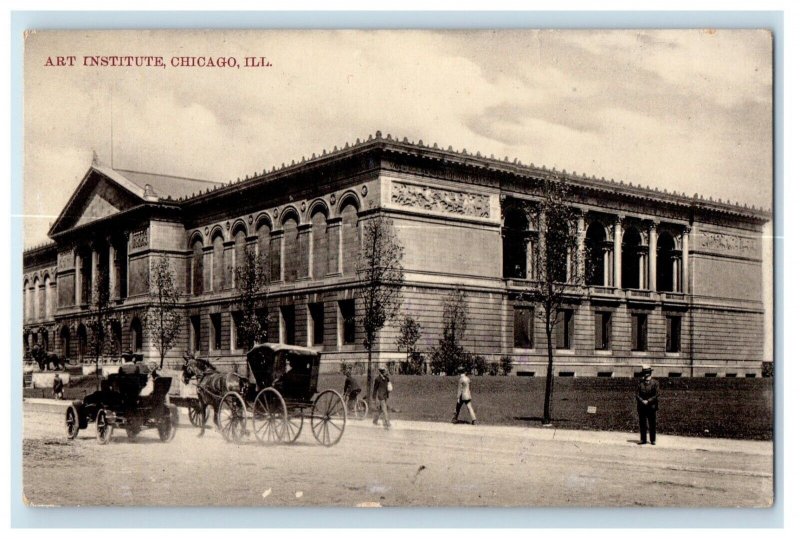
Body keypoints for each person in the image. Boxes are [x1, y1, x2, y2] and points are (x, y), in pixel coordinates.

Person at [636, 364, 659, 445]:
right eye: (645, 373)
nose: (646, 374)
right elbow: (637, 394)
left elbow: (656, 395)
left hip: (651, 407)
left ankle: (653, 440)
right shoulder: (640, 383)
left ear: (650, 373)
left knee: (652, 423)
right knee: (642, 423)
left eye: (648, 372)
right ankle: (643, 440)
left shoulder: (655, 383)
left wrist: (648, 401)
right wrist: (642, 401)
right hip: (642, 407)